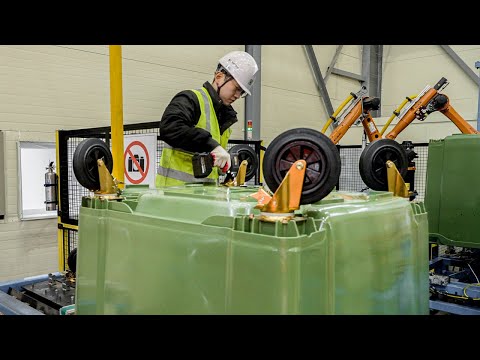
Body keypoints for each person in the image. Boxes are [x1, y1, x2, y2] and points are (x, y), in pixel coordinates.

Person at [156, 50, 259, 188]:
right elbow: (170, 127)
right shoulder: (191, 99)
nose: (237, 95)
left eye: (241, 92)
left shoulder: (224, 118)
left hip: (204, 201)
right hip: (173, 197)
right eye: (236, 88)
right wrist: (211, 145)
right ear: (219, 76)